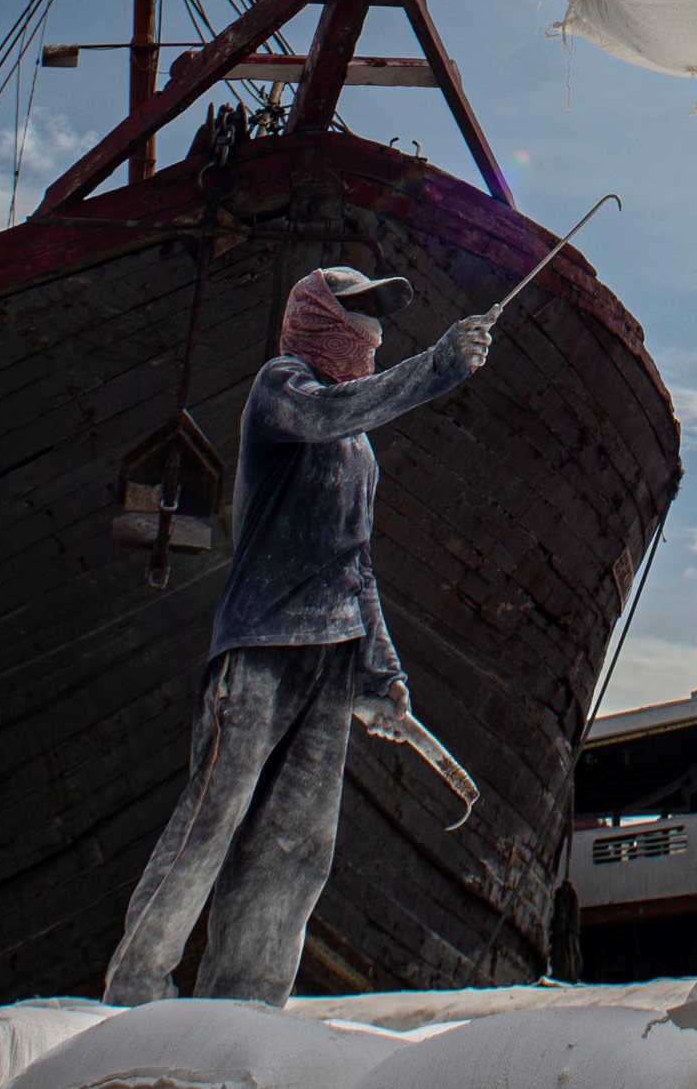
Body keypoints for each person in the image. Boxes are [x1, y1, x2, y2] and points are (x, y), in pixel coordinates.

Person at [103, 266, 494, 1003]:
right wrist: (440, 366)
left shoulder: (361, 453)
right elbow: (335, 412)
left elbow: (358, 567)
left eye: (381, 315)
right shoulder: (281, 391)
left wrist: (383, 675)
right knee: (214, 818)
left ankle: (245, 1001)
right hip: (260, 650)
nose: (378, 331)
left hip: (334, 665)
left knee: (295, 844)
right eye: (364, 312)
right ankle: (137, 982)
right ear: (320, 317)